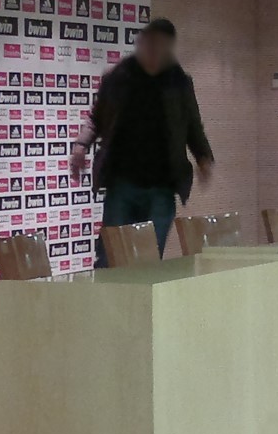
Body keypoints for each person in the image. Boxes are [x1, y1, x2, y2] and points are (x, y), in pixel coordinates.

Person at [69, 18, 214, 261]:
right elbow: (97, 118)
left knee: (148, 257)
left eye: (161, 47)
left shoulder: (179, 82)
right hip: (122, 183)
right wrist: (81, 145)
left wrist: (203, 158)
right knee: (112, 255)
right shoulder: (118, 78)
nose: (154, 51)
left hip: (162, 186)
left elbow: (192, 125)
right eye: (150, 44)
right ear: (141, 43)